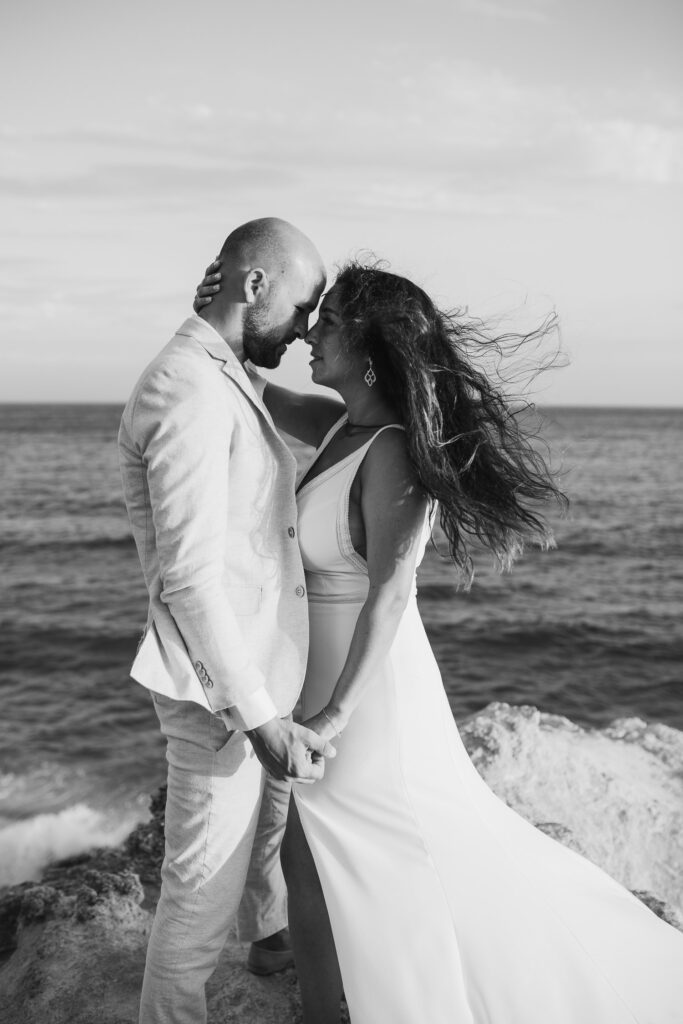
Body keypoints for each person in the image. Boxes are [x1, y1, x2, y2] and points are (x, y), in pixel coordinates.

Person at [195, 259, 683, 1023]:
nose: (308, 337)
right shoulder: (339, 429)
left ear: (366, 346)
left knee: (376, 843)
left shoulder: (391, 450)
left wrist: (333, 717)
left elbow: (389, 595)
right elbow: (245, 391)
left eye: (323, 325)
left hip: (369, 684)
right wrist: (218, 317)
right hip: (318, 668)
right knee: (310, 848)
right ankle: (328, 1003)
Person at [117, 217, 337, 1024]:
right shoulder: (186, 386)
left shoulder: (224, 370)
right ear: (255, 287)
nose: (308, 327)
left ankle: (271, 938)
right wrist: (257, 717)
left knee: (263, 838)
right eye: (303, 307)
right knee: (195, 898)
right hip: (220, 696)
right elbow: (191, 578)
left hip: (257, 674)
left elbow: (314, 416)